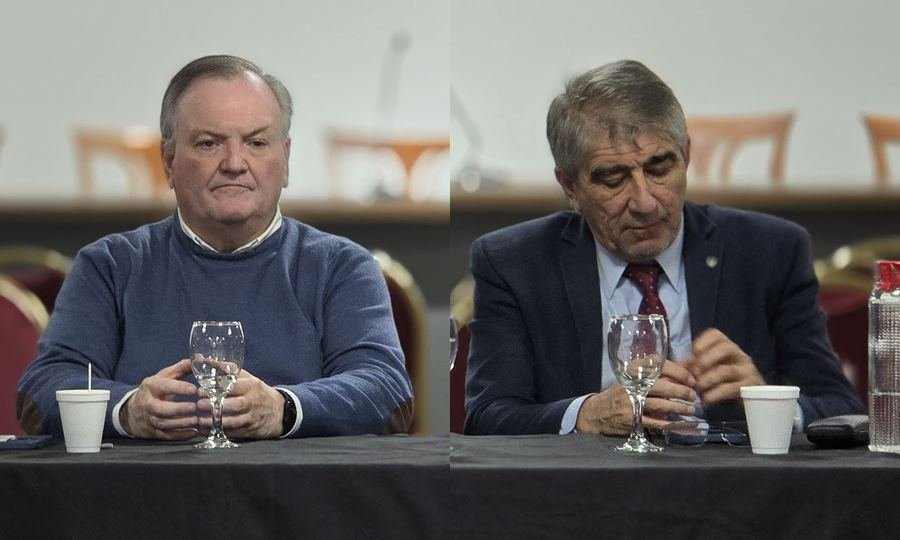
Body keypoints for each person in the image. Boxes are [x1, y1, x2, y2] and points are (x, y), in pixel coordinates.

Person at [17, 55, 413, 440]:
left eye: (257, 143)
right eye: (209, 144)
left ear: (286, 159)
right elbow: (42, 390)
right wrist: (128, 410)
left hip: (300, 500)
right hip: (141, 499)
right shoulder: (110, 266)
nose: (235, 163)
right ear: (169, 160)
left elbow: (388, 393)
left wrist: (284, 409)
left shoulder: (342, 267)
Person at [464, 60, 863, 436]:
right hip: (580, 496)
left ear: (686, 155)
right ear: (570, 186)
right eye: (613, 178)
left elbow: (842, 408)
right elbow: (487, 417)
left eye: (659, 169)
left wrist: (768, 404)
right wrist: (587, 413)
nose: (645, 202)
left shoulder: (770, 252)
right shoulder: (513, 263)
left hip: (733, 495)